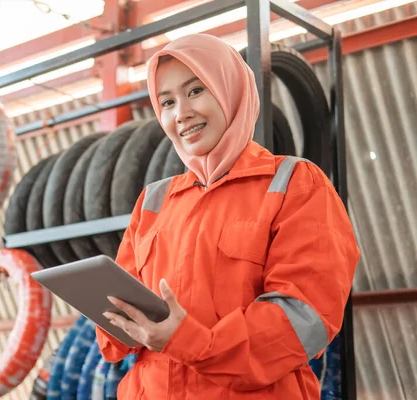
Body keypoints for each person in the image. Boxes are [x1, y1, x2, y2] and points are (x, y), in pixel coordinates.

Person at [95, 33, 360, 399]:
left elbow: (303, 319)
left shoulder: (294, 184)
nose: (181, 113)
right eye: (167, 101)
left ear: (230, 89)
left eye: (195, 91)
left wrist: (189, 341)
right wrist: (111, 318)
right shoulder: (154, 200)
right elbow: (115, 339)